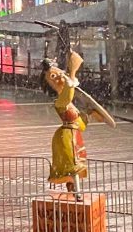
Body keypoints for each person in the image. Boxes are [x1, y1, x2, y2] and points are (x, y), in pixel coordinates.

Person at [42, 50, 101, 192]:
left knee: (75, 164)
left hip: (74, 136)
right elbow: (68, 94)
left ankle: (73, 190)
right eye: (53, 76)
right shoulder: (61, 102)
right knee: (72, 165)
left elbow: (78, 122)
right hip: (67, 138)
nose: (59, 77)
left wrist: (90, 115)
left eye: (59, 73)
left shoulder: (68, 103)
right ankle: (76, 192)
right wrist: (72, 74)